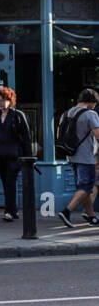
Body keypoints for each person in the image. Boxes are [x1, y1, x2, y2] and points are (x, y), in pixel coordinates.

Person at [0, 87, 31, 222]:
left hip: (14, 156)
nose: (0, 103)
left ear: (10, 101)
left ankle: (9, 211)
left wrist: (27, 158)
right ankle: (13, 210)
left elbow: (26, 138)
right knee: (6, 184)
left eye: (3, 100)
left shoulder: (18, 116)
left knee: (10, 182)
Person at [57, 88, 99, 228]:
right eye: (95, 103)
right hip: (86, 157)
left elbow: (59, 135)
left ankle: (92, 216)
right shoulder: (90, 114)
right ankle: (67, 211)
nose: (95, 106)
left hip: (71, 156)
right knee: (86, 187)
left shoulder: (65, 113)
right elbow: (97, 134)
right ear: (91, 102)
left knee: (83, 188)